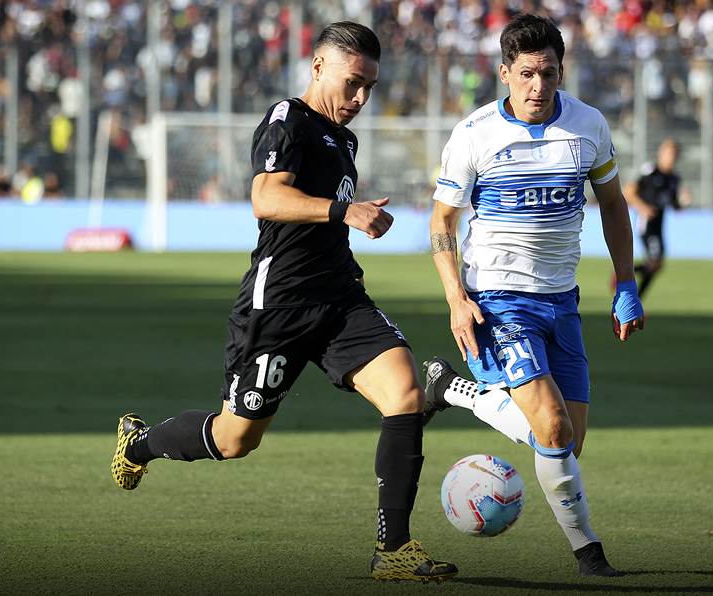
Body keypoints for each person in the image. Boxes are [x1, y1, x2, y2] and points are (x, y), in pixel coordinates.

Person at [110, 22, 457, 584]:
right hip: (281, 306)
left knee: (406, 393)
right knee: (235, 438)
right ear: (318, 66)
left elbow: (320, 215)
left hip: (340, 298)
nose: (362, 98)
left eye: (370, 86)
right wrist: (346, 212)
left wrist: (346, 230)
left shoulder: (345, 140)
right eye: (353, 83)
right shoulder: (286, 120)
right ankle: (140, 443)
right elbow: (266, 197)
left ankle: (393, 550)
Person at [426, 14, 645, 580]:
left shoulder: (588, 125)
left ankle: (454, 389)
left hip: (561, 302)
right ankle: (590, 556)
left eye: (548, 74)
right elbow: (443, 221)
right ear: (504, 73)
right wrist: (456, 298)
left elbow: (615, 205)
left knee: (566, 447)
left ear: (560, 71)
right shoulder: (475, 135)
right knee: (551, 427)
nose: (537, 87)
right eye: (525, 74)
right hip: (497, 298)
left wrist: (626, 284)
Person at [624, 139, 682, 299]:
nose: (672, 157)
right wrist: (643, 207)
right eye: (669, 153)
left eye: (675, 154)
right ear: (660, 154)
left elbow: (674, 204)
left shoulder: (674, 180)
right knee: (655, 263)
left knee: (657, 265)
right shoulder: (651, 171)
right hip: (646, 224)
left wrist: (682, 201)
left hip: (659, 225)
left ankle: (624, 274)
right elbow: (629, 191)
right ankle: (633, 297)